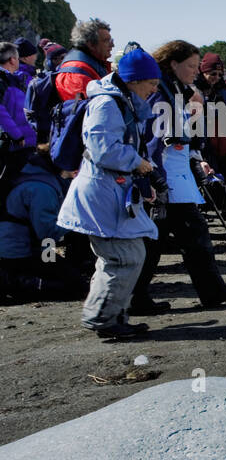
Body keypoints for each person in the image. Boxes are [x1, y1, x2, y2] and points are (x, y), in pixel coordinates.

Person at [54, 48, 161, 339]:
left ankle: (110, 314)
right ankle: (104, 317)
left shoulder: (118, 101)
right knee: (123, 256)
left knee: (122, 254)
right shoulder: (107, 104)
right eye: (151, 82)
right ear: (134, 80)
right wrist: (136, 162)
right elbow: (103, 150)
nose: (154, 88)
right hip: (102, 191)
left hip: (109, 189)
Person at [132, 40, 226, 313]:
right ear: (173, 64)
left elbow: (176, 135)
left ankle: (138, 297)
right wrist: (155, 178)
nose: (196, 71)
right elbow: (154, 141)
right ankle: (208, 291)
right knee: (177, 236)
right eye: (191, 65)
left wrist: (196, 159)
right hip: (167, 177)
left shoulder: (174, 92)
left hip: (174, 174)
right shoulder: (162, 94)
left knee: (163, 238)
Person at [0, 149, 83, 301]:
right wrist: (79, 223)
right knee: (73, 285)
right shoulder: (42, 188)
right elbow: (47, 232)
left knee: (65, 271)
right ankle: (12, 281)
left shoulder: (31, 176)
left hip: (29, 247)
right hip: (15, 255)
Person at [196, 52, 226, 223]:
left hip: (223, 140)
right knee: (203, 178)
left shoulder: (224, 89)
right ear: (203, 72)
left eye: (219, 74)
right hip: (202, 141)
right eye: (212, 74)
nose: (216, 77)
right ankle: (202, 210)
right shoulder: (195, 90)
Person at [56, 18, 114, 101]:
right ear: (91, 44)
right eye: (106, 41)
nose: (112, 45)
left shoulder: (91, 66)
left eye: (111, 40)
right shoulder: (74, 74)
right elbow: (82, 110)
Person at [0, 43, 38, 148]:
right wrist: (17, 136)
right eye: (17, 58)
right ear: (12, 60)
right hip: (13, 144)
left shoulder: (11, 79)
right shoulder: (3, 81)